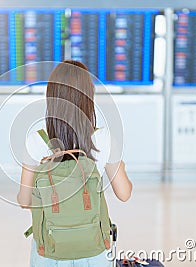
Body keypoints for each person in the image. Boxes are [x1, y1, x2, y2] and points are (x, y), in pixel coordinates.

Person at [17, 60, 132, 266]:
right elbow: (124, 194)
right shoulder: (103, 138)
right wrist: (119, 166)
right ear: (88, 97)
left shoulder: (35, 140)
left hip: (49, 250)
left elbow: (24, 201)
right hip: (95, 248)